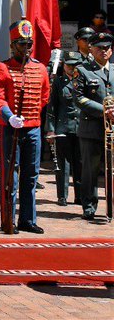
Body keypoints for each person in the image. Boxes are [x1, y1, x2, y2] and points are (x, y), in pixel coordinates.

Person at [0, 19, 51, 234]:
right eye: (21, 44)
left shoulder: (40, 69)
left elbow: (44, 97)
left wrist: (28, 117)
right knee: (10, 176)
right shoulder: (2, 68)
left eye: (29, 44)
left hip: (32, 127)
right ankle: (8, 218)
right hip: (10, 129)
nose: (26, 48)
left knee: (31, 175)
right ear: (12, 45)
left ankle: (28, 219)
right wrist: (9, 116)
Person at [73, 32, 113, 221]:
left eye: (107, 48)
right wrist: (104, 110)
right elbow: (79, 98)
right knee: (90, 170)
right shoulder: (82, 70)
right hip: (91, 129)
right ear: (92, 49)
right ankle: (89, 207)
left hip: (112, 129)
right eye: (99, 48)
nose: (103, 51)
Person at [47, 51, 85, 208]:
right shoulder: (58, 82)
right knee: (63, 164)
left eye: (75, 65)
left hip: (81, 127)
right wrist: (50, 129)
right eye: (69, 65)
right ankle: (62, 196)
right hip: (63, 127)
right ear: (64, 65)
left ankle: (80, 196)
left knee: (80, 163)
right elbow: (52, 107)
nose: (72, 68)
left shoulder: (84, 80)